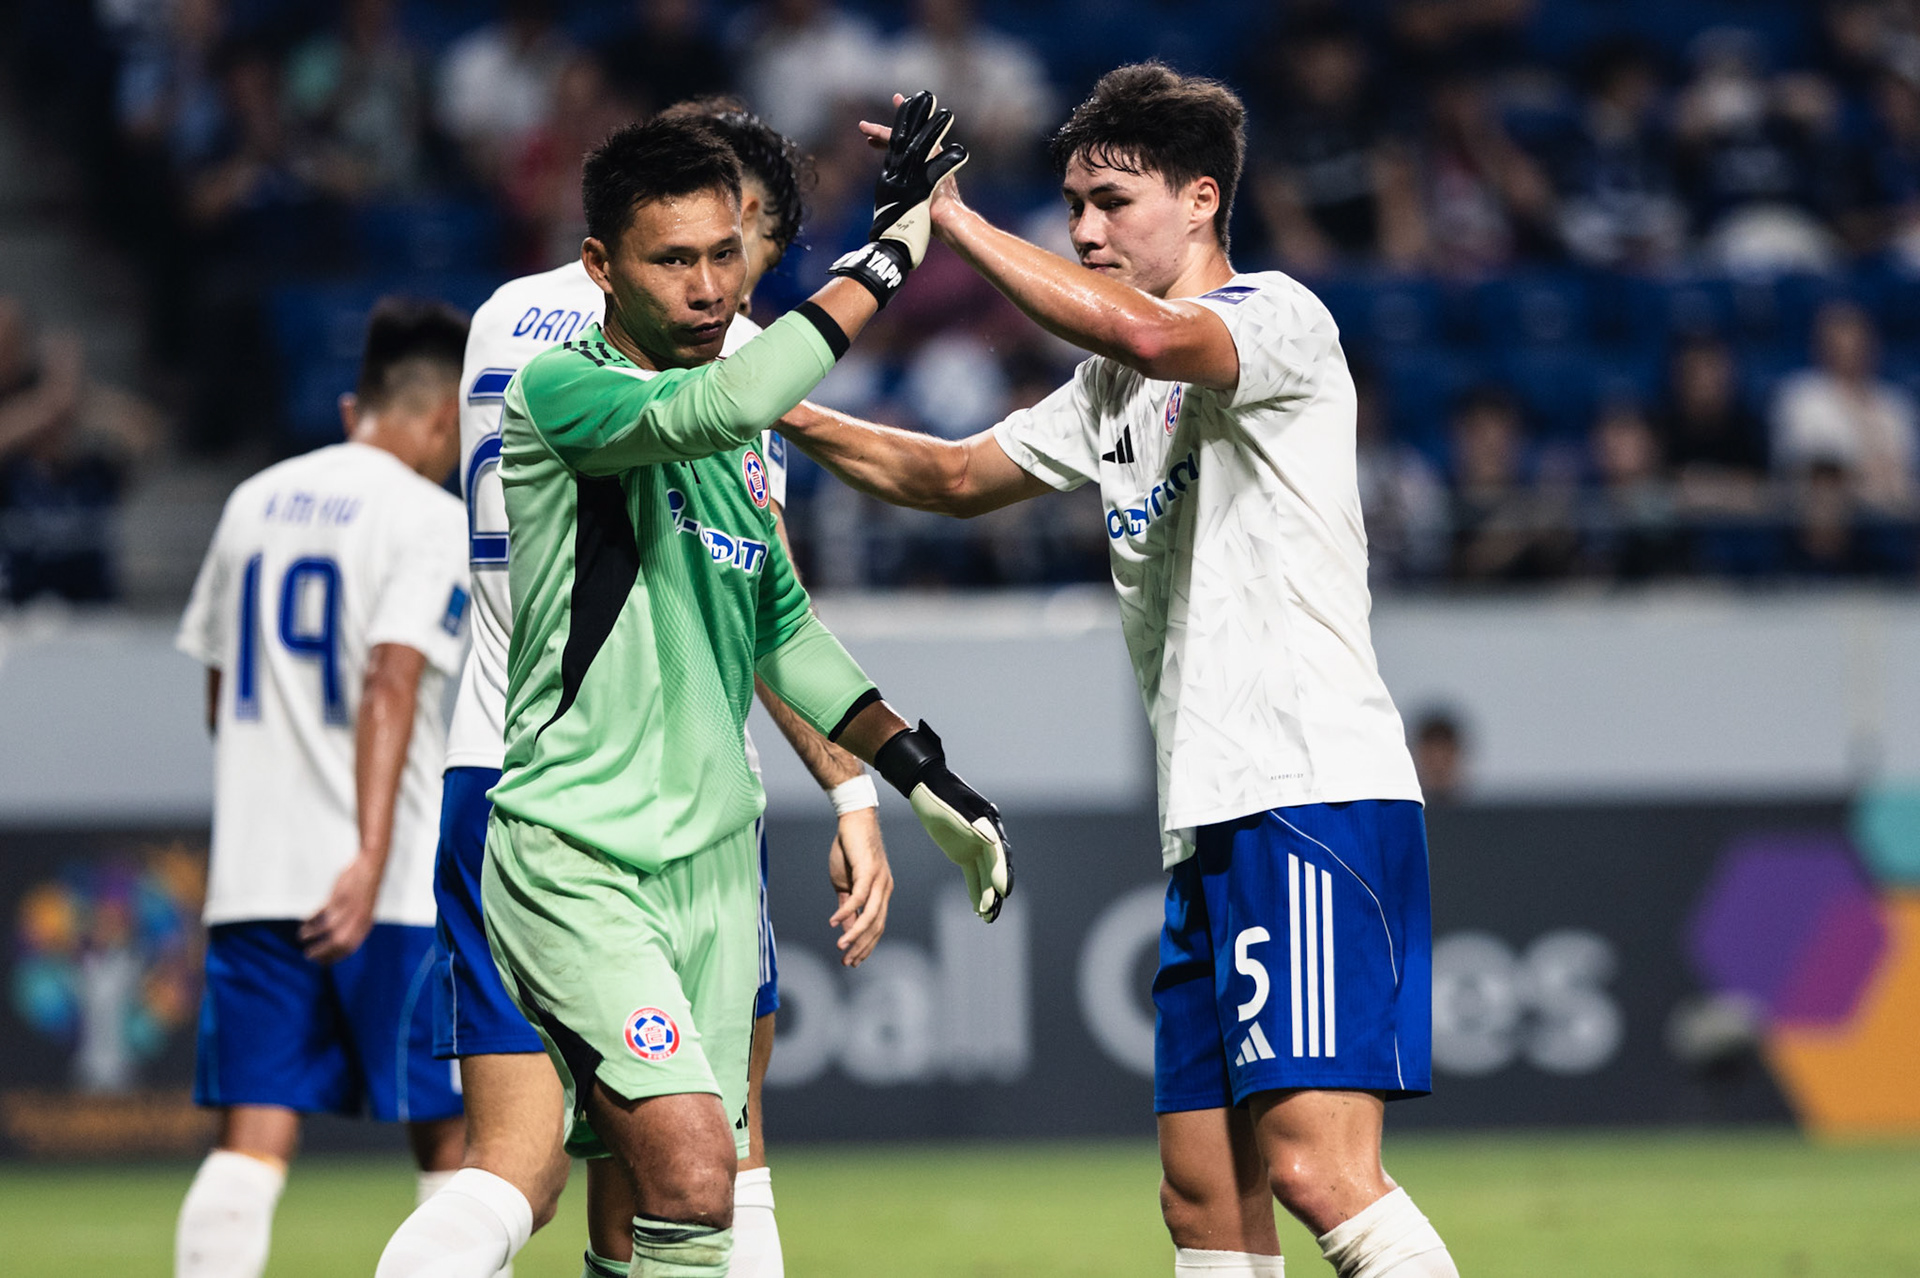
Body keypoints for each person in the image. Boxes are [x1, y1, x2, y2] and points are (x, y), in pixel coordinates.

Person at [780, 63, 1458, 1278]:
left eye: (1112, 201)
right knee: (1203, 1201)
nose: (1086, 228)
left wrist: (955, 218)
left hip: (1307, 791)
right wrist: (763, 405)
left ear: (1201, 199)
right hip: (1207, 815)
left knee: (1316, 1171)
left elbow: (1147, 327)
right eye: (1074, 204)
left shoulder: (1278, 318)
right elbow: (945, 479)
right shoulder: (1111, 389)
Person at [380, 101, 1009, 1278]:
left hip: (711, 861)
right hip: (577, 844)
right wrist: (898, 250)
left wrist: (915, 773)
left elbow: (783, 627)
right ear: (601, 268)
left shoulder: (728, 432)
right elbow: (728, 399)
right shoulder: (566, 387)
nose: (712, 286)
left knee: (671, 1207)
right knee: (685, 1165)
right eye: (679, 260)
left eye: (729, 254)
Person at [171, 298, 473, 1278]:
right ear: (442, 417)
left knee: (251, 1144)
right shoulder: (432, 521)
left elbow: (221, 696)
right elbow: (392, 680)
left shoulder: (252, 501)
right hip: (387, 885)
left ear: (360, 406)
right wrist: (372, 849)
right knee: (453, 1145)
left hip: (258, 874)